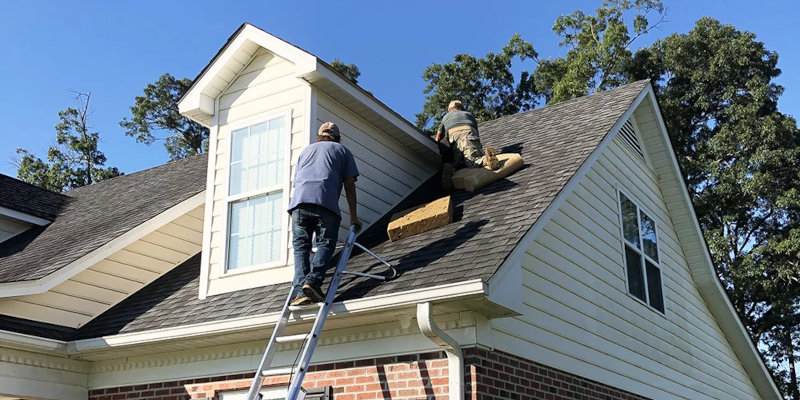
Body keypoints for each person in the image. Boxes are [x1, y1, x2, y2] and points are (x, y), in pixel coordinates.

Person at [287, 122, 361, 306]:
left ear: (318, 136)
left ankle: (300, 292)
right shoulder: (342, 151)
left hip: (299, 204)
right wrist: (354, 216)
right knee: (326, 242)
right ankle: (312, 282)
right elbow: (350, 186)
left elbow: (297, 182)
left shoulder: (305, 151)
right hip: (324, 203)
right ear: (337, 137)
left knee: (301, 248)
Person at [435, 100, 498, 189]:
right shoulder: (469, 115)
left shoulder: (445, 117)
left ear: (449, 110)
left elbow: (437, 138)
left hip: (454, 138)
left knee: (457, 163)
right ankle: (486, 159)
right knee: (473, 161)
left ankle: (450, 168)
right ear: (461, 108)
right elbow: (476, 134)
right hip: (469, 133)